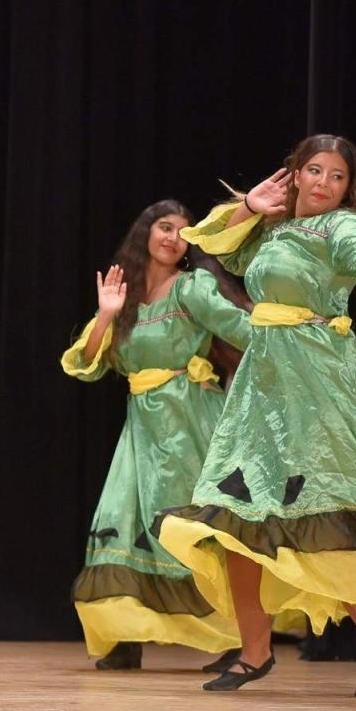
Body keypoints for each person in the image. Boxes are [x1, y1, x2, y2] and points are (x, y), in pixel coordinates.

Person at [157, 135, 356, 697]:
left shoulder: (342, 227)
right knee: (238, 518)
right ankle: (254, 653)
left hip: (319, 381)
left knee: (330, 518)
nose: (325, 182)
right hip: (261, 387)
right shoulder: (273, 232)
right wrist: (249, 207)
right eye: (316, 170)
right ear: (296, 175)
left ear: (349, 188)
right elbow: (212, 244)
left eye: (337, 176)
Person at [61, 200, 251, 671]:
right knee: (122, 519)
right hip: (142, 427)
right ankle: (124, 636)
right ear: (145, 232)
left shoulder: (191, 286)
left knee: (195, 528)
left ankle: (239, 637)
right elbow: (85, 364)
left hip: (191, 421)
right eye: (165, 227)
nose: (172, 238)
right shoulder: (123, 296)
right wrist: (106, 314)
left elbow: (240, 329)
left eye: (183, 232)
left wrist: (293, 332)